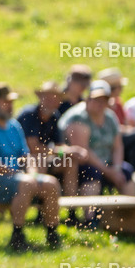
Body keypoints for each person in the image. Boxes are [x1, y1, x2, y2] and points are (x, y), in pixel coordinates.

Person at [0, 84, 61, 252]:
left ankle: (52, 234)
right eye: (6, 102)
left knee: (51, 184)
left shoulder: (14, 126)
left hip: (14, 179)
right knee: (25, 184)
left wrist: (33, 173)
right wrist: (21, 175)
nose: (10, 106)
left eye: (11, 102)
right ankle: (17, 237)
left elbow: (26, 157)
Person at [59, 80, 135, 227]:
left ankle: (130, 219)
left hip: (106, 163)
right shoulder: (78, 117)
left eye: (104, 100)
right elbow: (84, 151)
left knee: (127, 172)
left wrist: (117, 168)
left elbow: (118, 146)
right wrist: (109, 172)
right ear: (89, 99)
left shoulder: (110, 117)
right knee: (92, 173)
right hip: (80, 165)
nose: (100, 104)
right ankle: (90, 219)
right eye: (97, 99)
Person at [17, 80, 83, 208]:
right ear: (41, 98)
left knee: (70, 162)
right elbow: (33, 147)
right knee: (39, 160)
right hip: (22, 160)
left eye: (55, 98)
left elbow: (59, 145)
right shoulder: (29, 115)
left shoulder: (54, 117)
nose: (51, 101)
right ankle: (40, 208)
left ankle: (71, 210)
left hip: (43, 158)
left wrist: (71, 150)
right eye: (48, 97)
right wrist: (59, 151)